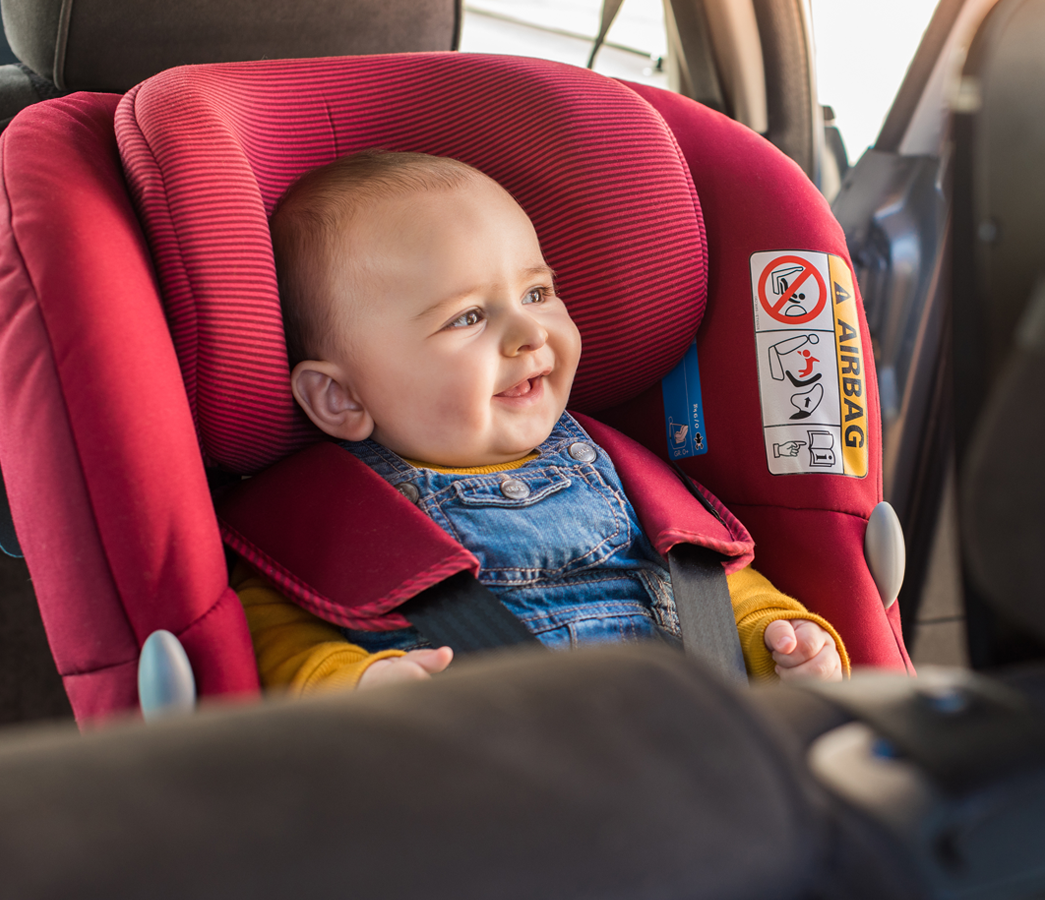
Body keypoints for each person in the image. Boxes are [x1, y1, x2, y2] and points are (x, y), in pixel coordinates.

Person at [235, 149, 847, 695]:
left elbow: (711, 583)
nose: (529, 334)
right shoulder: (330, 516)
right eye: (468, 317)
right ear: (340, 397)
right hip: (499, 785)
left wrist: (777, 636)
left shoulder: (619, 469)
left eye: (536, 294)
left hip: (686, 758)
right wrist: (357, 682)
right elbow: (274, 631)